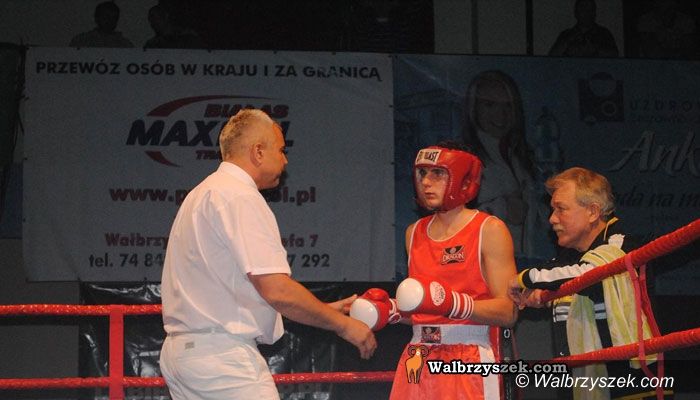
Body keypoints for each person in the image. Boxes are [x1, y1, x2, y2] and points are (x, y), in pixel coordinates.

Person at [159, 109, 376, 400]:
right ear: (258, 152)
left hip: (185, 356)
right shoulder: (240, 196)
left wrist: (323, 310)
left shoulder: (202, 193)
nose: (285, 161)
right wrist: (344, 325)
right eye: (281, 150)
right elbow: (277, 290)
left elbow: (235, 291)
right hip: (222, 362)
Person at [352, 140, 517, 398]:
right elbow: (424, 308)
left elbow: (508, 311)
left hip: (468, 356)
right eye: (422, 173)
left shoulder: (489, 230)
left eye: (438, 173)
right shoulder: (413, 233)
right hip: (418, 353)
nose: (426, 182)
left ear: (462, 178)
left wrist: (453, 304)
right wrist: (392, 311)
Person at [509, 167, 672, 400]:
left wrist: (524, 278)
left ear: (593, 212)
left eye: (561, 209)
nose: (552, 218)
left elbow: (588, 274)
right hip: (584, 387)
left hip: (634, 386)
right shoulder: (565, 262)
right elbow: (562, 277)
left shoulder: (620, 247)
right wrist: (539, 292)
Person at [462, 70, 548, 259]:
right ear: (474, 109)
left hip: (523, 259)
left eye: (508, 106)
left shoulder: (521, 158)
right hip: (482, 261)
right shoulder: (465, 160)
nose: (500, 114)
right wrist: (503, 209)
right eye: (489, 104)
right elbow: (452, 219)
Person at [548, 0, 619, 58]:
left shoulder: (604, 34)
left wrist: (595, 49)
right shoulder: (566, 34)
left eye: (590, 9)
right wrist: (567, 44)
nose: (587, 12)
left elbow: (614, 55)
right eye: (583, 8)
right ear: (576, 13)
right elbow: (552, 57)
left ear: (594, 13)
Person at [69, 1, 134, 48]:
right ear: (97, 18)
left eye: (114, 17)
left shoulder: (125, 45)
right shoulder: (81, 41)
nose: (110, 21)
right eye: (106, 17)